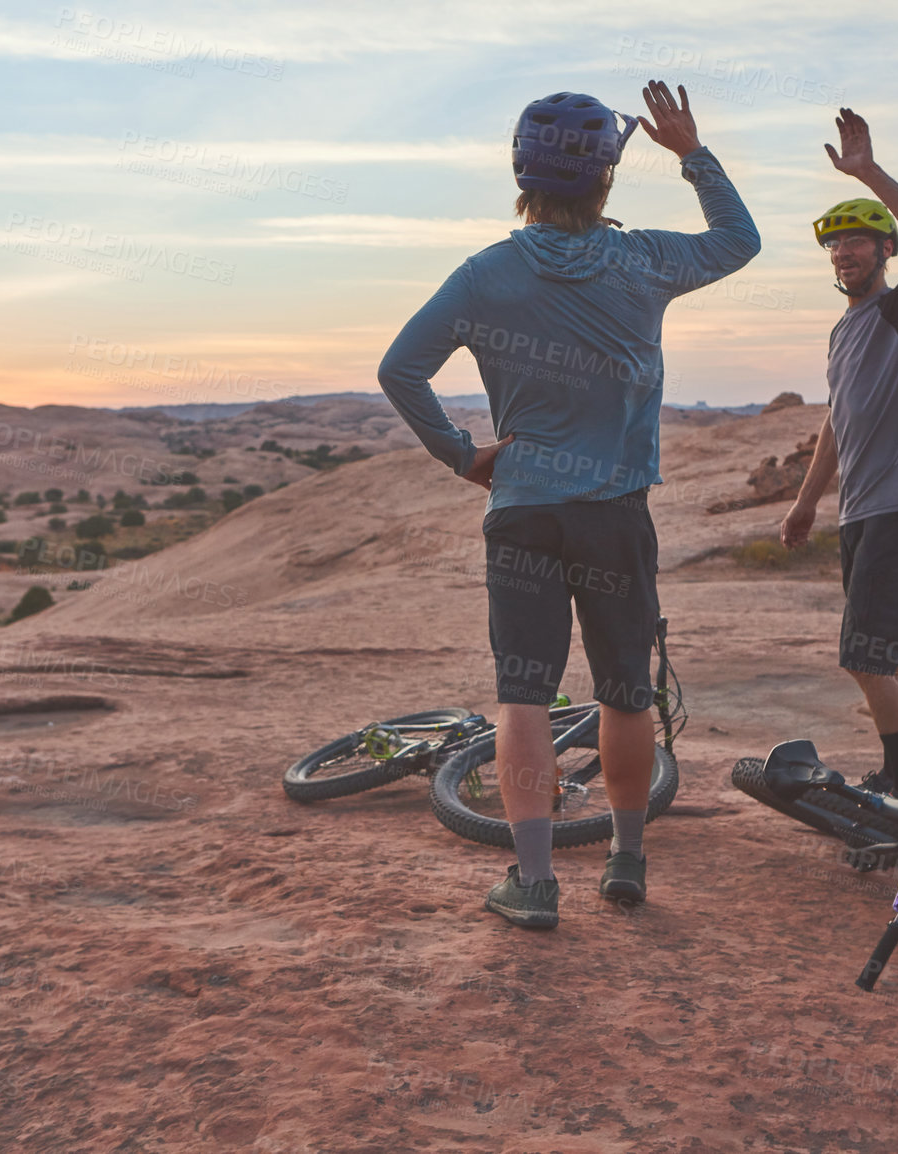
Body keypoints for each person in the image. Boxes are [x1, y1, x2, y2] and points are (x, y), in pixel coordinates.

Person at [378, 82, 760, 928]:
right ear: (607, 180)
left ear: (522, 173)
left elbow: (400, 370)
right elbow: (740, 241)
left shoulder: (486, 275)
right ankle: (625, 862)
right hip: (616, 514)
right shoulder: (644, 259)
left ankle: (537, 883)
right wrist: (692, 152)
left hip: (522, 512)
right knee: (626, 692)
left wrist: (461, 456)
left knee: (524, 695)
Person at [779, 107, 898, 803]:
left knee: (861, 656)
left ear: (885, 251)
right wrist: (806, 500)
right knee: (887, 651)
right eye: (837, 246)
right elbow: (834, 421)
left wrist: (869, 173)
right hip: (860, 512)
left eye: (859, 242)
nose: (846, 253)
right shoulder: (842, 331)